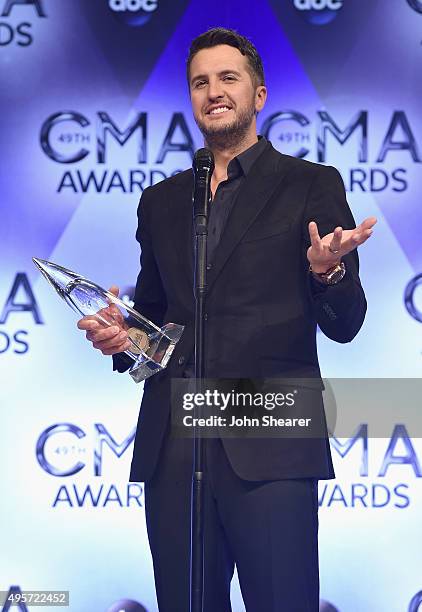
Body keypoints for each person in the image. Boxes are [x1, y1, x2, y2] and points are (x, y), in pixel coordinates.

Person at [77, 28, 376, 612]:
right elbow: (160, 325)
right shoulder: (161, 201)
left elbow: (347, 323)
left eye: (228, 78)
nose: (214, 91)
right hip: (175, 443)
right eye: (200, 82)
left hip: (269, 436)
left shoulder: (310, 184)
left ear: (258, 95)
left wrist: (327, 274)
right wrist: (124, 334)